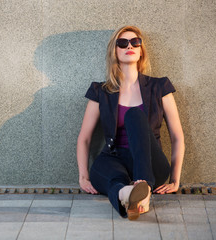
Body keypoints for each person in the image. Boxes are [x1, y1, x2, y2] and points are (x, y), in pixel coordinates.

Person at [77, 26, 185, 220]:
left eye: (135, 42)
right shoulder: (101, 91)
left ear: (141, 49)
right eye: (122, 43)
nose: (130, 46)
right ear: (114, 51)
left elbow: (177, 137)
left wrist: (175, 179)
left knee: (134, 115)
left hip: (150, 163)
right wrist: (83, 176)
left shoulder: (159, 87)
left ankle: (142, 186)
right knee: (112, 178)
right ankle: (126, 195)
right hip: (114, 157)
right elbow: (84, 138)